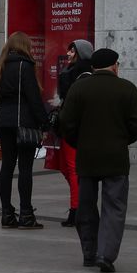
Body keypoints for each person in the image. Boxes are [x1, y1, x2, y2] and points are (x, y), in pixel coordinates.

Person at [59, 48, 137, 273]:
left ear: (93, 67)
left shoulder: (79, 88)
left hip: (87, 157)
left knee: (86, 206)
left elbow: (65, 123)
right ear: (115, 65)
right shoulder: (126, 88)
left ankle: (89, 252)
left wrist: (79, 141)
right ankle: (106, 255)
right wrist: (124, 138)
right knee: (114, 207)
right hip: (115, 157)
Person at [0, 32, 48, 229]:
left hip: (4, 121)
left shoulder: (0, 66)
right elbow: (33, 98)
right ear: (25, 46)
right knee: (25, 169)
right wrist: (44, 123)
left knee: (7, 165)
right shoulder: (25, 66)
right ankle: (26, 213)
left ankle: (6, 213)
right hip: (24, 121)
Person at [53, 40, 93, 227]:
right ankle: (81, 204)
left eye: (72, 50)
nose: (68, 53)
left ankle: (77, 210)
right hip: (68, 125)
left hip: (74, 127)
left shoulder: (82, 74)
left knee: (72, 168)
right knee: (65, 167)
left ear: (80, 53)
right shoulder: (72, 71)